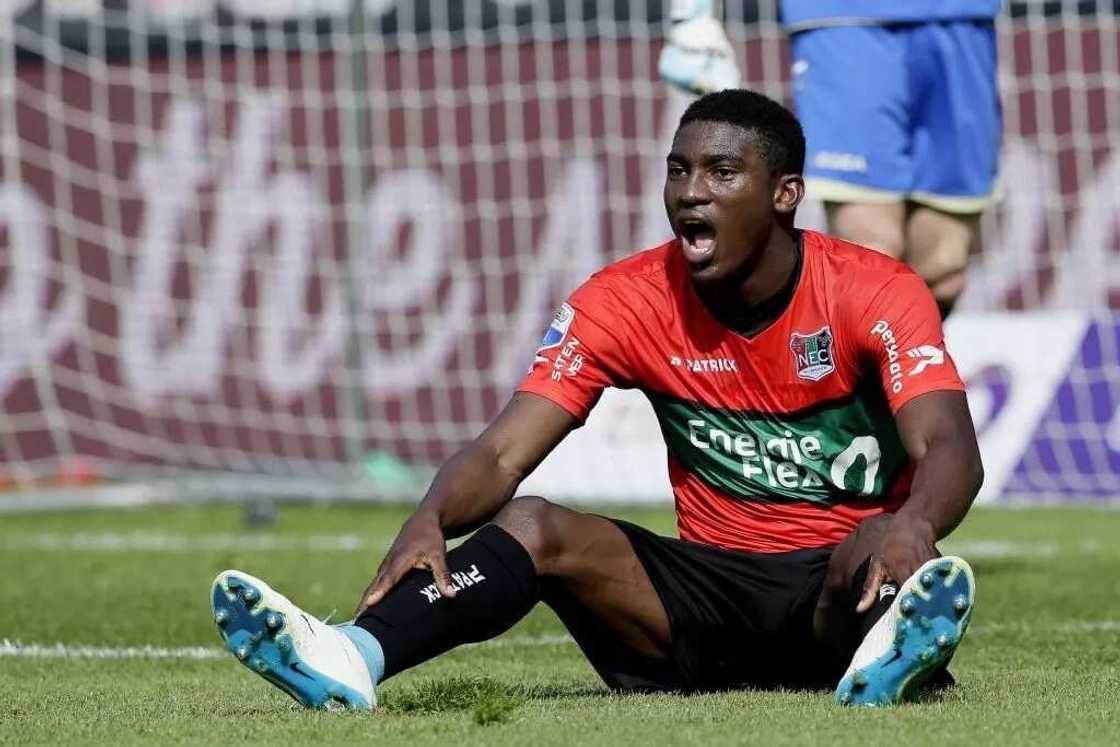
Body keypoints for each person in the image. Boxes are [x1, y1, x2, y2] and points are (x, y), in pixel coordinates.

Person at [210, 90, 983, 710]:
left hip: (837, 587)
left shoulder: (874, 289)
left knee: (883, 539)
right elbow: (503, 450)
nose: (690, 194)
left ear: (785, 195)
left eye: (720, 173)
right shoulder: (624, 299)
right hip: (699, 598)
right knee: (534, 522)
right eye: (678, 171)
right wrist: (432, 516)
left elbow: (950, 447)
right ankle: (352, 654)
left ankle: (889, 651)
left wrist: (913, 525)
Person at [659, 1, 1002, 317]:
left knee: (943, 275)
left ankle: (892, 373)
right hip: (844, 20)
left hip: (966, 22)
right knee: (872, 259)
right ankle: (858, 378)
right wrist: (691, 13)